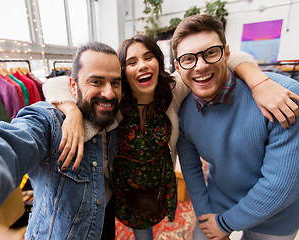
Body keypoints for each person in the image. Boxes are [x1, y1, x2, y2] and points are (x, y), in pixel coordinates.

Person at [42, 36, 299, 240]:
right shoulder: (116, 101)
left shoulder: (172, 91)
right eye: (131, 62)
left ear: (159, 61)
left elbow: (224, 59)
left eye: (148, 57)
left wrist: (258, 81)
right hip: (125, 189)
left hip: (159, 188)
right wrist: (72, 111)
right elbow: (55, 84)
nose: (142, 65)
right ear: (123, 73)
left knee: (149, 233)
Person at [0, 41, 122, 240]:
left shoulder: (116, 118)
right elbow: (7, 143)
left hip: (104, 219)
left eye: (115, 83)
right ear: (73, 87)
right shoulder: (48, 122)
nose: (109, 93)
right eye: (96, 82)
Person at [173, 14, 299, 240]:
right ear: (178, 67)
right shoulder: (183, 112)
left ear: (227, 53)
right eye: (188, 59)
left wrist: (225, 223)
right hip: (218, 201)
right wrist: (205, 214)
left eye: (211, 53)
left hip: (275, 216)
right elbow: (191, 170)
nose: (200, 66)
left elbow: (282, 185)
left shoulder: (282, 96)